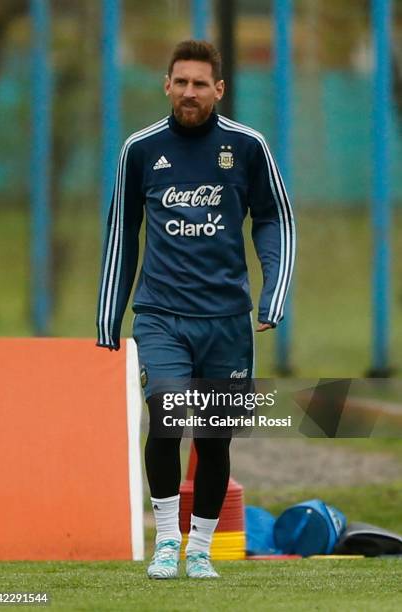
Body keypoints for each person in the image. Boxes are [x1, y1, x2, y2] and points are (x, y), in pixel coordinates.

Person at [96, 40, 295, 579]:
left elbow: (275, 219)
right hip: (161, 314)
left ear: (218, 90)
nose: (189, 92)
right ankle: (165, 540)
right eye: (180, 81)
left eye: (200, 83)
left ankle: (201, 548)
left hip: (227, 322)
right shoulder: (140, 149)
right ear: (166, 84)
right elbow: (122, 232)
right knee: (165, 417)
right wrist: (108, 314)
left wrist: (272, 293)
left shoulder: (247, 147)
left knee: (214, 436)